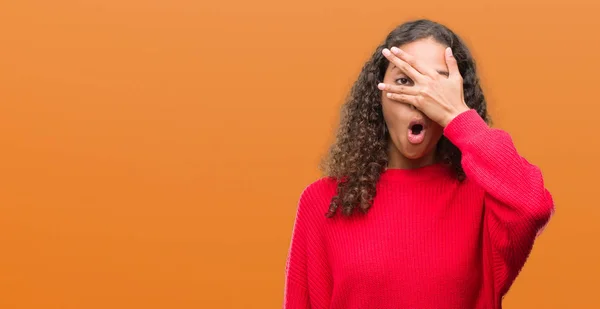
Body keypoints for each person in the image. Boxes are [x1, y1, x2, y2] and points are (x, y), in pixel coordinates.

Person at [282, 19, 554, 309]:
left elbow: (533, 205)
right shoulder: (324, 201)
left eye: (436, 86)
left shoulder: (484, 199)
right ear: (379, 96)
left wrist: (456, 115)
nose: (421, 100)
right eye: (404, 81)